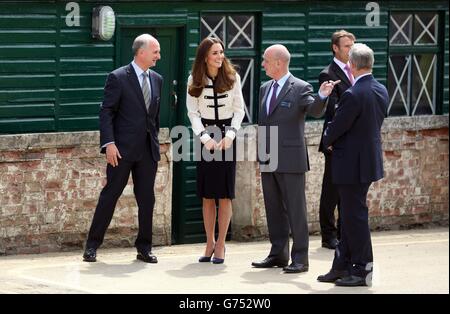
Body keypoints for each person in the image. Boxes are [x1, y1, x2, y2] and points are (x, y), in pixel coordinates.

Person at [251, 44, 338, 273]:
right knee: (273, 209)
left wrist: (322, 95)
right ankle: (278, 253)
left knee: (295, 209)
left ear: (279, 63)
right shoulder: (264, 88)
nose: (263, 64)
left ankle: (300, 259)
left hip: (291, 158)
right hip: (268, 156)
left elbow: (315, 110)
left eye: (266, 60)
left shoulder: (300, 87)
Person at [82, 34, 162, 263]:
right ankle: (92, 246)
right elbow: (106, 111)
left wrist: (155, 141)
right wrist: (109, 144)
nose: (159, 56)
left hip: (147, 151)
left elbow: (153, 117)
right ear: (141, 52)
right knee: (110, 196)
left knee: (147, 199)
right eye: (155, 51)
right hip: (121, 150)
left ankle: (144, 248)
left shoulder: (157, 79)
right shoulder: (117, 77)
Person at [317, 43, 389, 287]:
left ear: (352, 66)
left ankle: (362, 268)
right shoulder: (380, 89)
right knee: (349, 216)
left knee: (354, 217)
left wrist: (327, 137)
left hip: (350, 164)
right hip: (366, 163)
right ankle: (342, 266)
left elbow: (337, 127)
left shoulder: (353, 94)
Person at [186, 37, 245, 264]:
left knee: (225, 193)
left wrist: (230, 136)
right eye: (215, 53)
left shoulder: (233, 77)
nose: (220, 57)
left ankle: (221, 244)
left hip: (228, 135)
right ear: (204, 57)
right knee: (208, 194)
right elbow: (193, 113)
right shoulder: (194, 79)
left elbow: (239, 111)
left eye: (221, 52)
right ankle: (209, 242)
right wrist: (204, 138)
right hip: (206, 137)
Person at [318, 30, 356, 250]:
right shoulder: (328, 73)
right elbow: (333, 109)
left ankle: (344, 232)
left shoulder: (356, 71)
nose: (350, 49)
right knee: (331, 190)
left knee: (348, 190)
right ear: (335, 48)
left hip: (354, 141)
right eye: (346, 46)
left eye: (352, 45)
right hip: (335, 140)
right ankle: (328, 235)